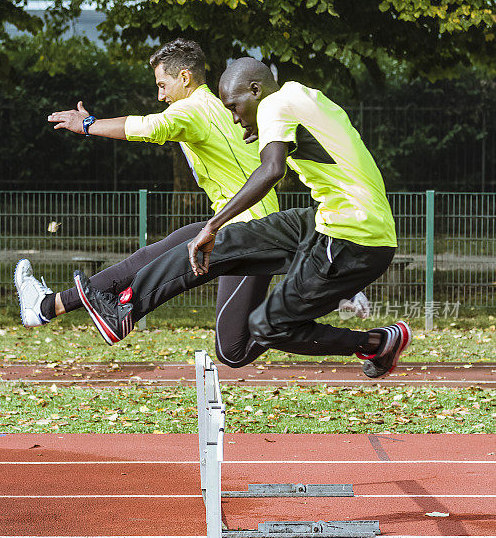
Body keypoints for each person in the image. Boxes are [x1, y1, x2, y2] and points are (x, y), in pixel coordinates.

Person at [15, 40, 369, 365]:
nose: (159, 95)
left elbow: (149, 127)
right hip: (237, 222)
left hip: (247, 230)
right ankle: (47, 306)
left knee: (233, 349)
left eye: (162, 85)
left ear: (184, 77)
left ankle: (366, 336)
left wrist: (89, 124)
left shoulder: (194, 109)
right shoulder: (219, 108)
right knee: (148, 259)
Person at [76, 57, 409, 377]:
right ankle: (125, 311)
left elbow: (271, 170)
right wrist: (265, 133)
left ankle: (377, 342)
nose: (235, 118)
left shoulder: (277, 107)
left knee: (265, 325)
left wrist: (213, 222)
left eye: (234, 107)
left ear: (255, 90)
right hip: (330, 219)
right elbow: (317, 145)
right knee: (223, 241)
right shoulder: (302, 95)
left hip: (355, 238)